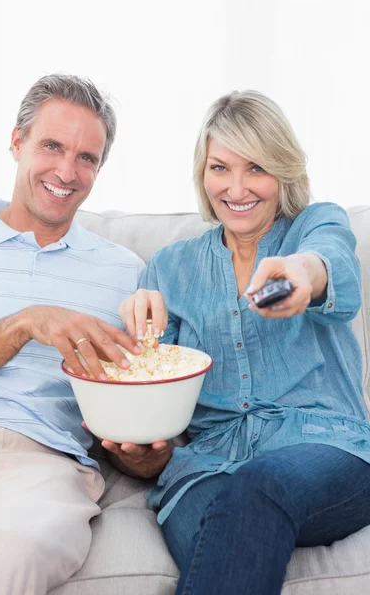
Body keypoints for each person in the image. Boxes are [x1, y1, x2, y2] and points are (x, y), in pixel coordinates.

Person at [119, 90, 370, 595]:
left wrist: (301, 274)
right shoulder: (169, 268)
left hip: (324, 446)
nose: (236, 188)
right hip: (207, 464)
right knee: (225, 539)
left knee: (258, 485)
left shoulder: (314, 225)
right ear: (202, 173)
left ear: (283, 170)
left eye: (256, 167)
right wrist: (139, 440)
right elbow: (153, 407)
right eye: (220, 168)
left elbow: (330, 262)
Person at [0, 73, 171, 595]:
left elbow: (143, 442)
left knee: (16, 549)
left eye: (87, 158)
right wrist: (24, 324)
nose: (67, 171)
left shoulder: (128, 275)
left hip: (35, 465)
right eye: (52, 146)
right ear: (17, 142)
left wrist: (144, 452)